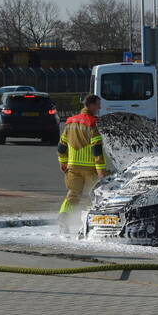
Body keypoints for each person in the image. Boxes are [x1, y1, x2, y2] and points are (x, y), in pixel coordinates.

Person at [57, 94, 106, 232]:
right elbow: (97, 151)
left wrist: (64, 163)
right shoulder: (93, 123)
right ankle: (88, 226)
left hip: (72, 167)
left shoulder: (70, 122)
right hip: (90, 169)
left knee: (73, 195)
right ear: (90, 105)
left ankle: (63, 217)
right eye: (97, 104)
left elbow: (61, 147)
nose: (99, 107)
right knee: (93, 196)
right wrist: (101, 172)